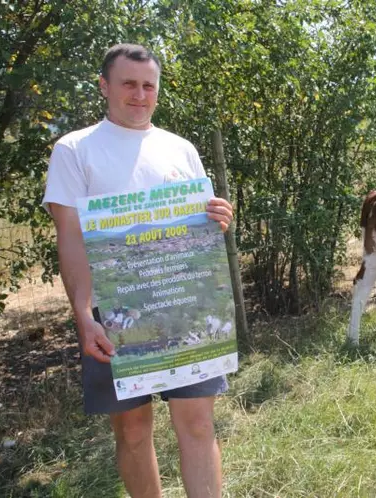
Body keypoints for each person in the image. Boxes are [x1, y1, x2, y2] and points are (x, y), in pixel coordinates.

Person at [42, 43, 233, 498]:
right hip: (115, 314)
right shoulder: (74, 150)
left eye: (149, 85)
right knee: (131, 430)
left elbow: (199, 227)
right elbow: (69, 237)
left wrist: (218, 218)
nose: (139, 94)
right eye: (128, 83)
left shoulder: (180, 149)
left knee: (199, 422)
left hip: (183, 303)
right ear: (105, 86)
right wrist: (84, 316)